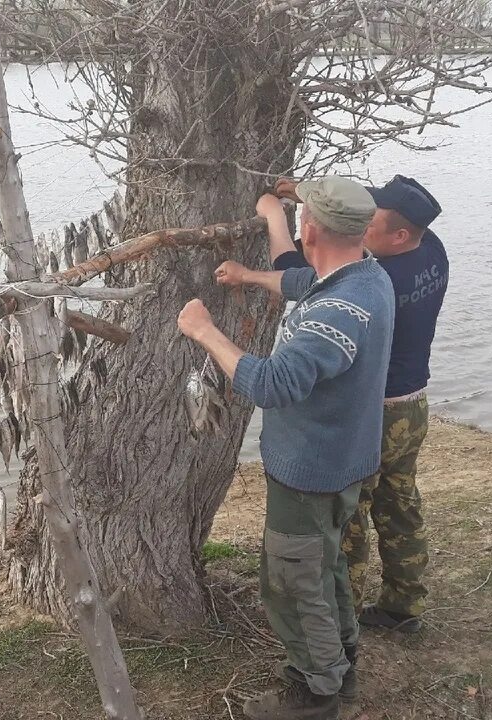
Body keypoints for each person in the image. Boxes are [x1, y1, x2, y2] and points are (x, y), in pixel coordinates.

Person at [178, 176, 394, 720]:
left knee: (292, 584)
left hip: (311, 471)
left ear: (312, 228)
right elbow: (303, 278)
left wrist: (204, 331)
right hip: (344, 460)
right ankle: (340, 664)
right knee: (325, 569)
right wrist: (264, 246)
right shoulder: (367, 277)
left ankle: (316, 693)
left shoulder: (339, 311)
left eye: (300, 219)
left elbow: (273, 383)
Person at [268, 175, 448, 633]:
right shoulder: (432, 251)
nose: (363, 227)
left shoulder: (376, 280)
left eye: (372, 224)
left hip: (375, 413)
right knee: (400, 501)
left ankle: (338, 612)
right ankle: (404, 604)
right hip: (413, 404)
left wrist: (274, 216)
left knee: (349, 513)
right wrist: (306, 194)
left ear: (400, 235)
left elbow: (301, 275)